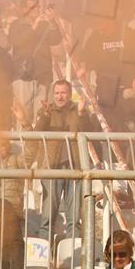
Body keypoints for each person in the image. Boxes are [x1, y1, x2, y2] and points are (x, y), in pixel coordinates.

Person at [18, 80, 98, 239]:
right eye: (57, 93)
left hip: (74, 168)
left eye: (63, 93)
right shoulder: (46, 110)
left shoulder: (78, 110)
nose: (60, 96)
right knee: (48, 214)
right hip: (51, 167)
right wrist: (46, 116)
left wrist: (82, 114)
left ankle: (73, 252)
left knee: (74, 216)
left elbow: (89, 132)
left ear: (69, 94)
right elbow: (36, 134)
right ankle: (45, 252)